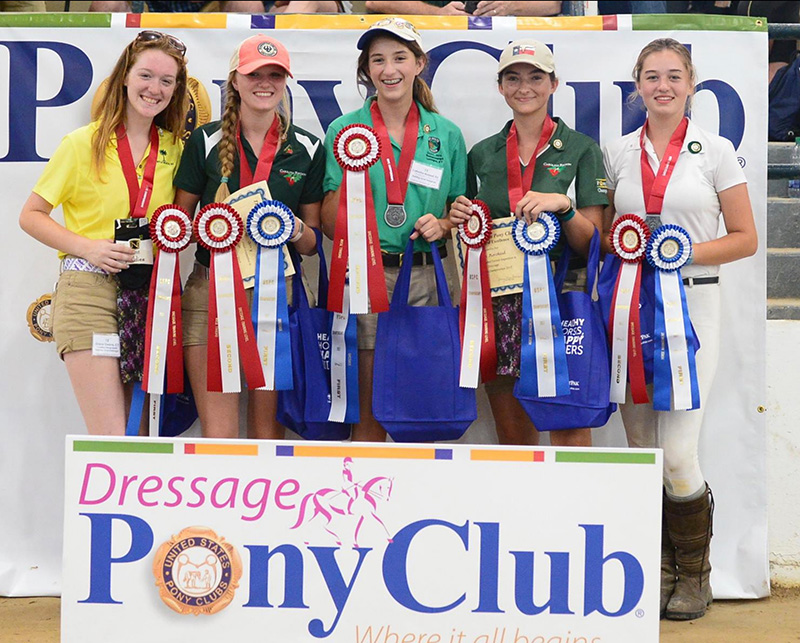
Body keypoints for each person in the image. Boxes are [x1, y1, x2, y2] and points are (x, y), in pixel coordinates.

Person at [602, 38, 757, 621]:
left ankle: (696, 572)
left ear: (692, 83)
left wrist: (680, 250)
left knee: (679, 453)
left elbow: (746, 237)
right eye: (651, 76)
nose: (661, 86)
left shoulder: (715, 150)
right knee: (642, 449)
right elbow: (606, 229)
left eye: (673, 76)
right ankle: (659, 569)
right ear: (636, 85)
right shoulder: (618, 153)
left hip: (695, 306)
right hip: (631, 308)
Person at [18, 31, 189, 435]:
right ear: (125, 78)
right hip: (89, 291)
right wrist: (88, 247)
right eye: (147, 76)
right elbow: (31, 215)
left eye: (167, 81)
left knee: (142, 435)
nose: (155, 89)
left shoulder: (175, 149)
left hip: (149, 295)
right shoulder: (83, 143)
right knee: (111, 435)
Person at [449, 39, 607, 448]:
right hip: (498, 296)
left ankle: (574, 509)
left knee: (568, 422)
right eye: (513, 78)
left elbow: (596, 241)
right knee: (513, 433)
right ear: (500, 87)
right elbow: (468, 228)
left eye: (536, 77)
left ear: (554, 84)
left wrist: (565, 207)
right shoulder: (482, 153)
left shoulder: (581, 149)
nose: (525, 87)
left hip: (560, 295)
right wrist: (459, 216)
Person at [321, 16, 468, 442]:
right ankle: (366, 496)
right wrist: (349, 190)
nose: (389, 70)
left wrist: (441, 223)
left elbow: (458, 209)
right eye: (378, 60)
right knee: (370, 401)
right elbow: (329, 224)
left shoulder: (447, 134)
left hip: (430, 274)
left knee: (423, 395)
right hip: (369, 275)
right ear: (366, 70)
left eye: (400, 57)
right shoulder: (343, 130)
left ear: (419, 63)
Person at [174, 34, 324, 440]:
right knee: (219, 434)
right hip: (210, 293)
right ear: (234, 81)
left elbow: (313, 243)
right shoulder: (204, 140)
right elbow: (178, 226)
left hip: (277, 293)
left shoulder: (307, 147)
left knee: (267, 435)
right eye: (255, 73)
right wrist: (208, 224)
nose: (265, 82)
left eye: (275, 75)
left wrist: (294, 228)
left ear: (285, 82)